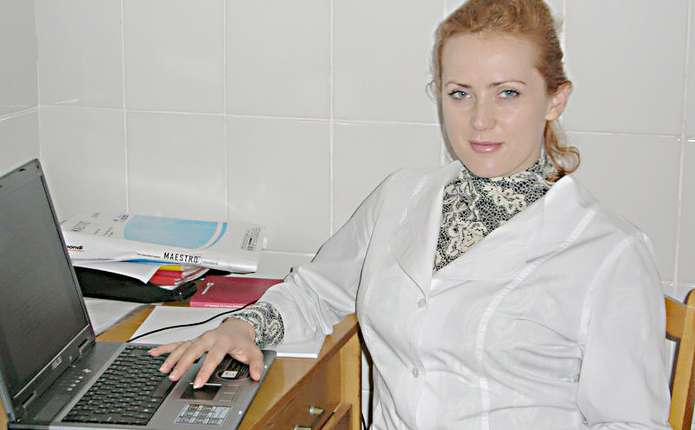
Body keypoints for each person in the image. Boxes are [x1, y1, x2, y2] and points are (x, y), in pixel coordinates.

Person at [150, 0, 672, 428]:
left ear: (556, 100)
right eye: (459, 93)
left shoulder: (608, 253)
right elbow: (316, 292)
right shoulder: (402, 197)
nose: (480, 119)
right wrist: (243, 327)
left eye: (508, 93)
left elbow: (630, 423)